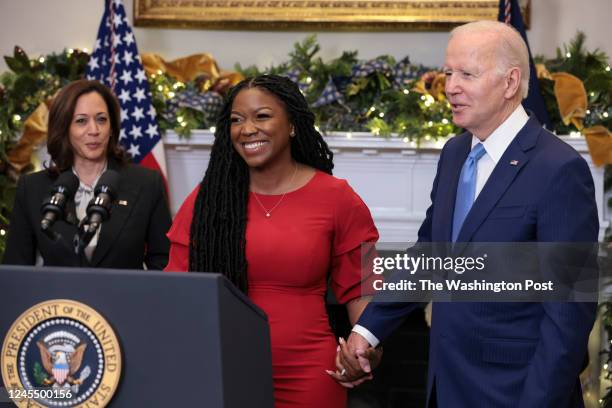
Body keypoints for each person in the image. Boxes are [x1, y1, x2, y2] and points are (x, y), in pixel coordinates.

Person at [335, 21, 599, 407]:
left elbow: (568, 316)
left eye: (467, 74)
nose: (450, 87)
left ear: (510, 83)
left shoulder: (559, 169)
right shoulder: (455, 154)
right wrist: (368, 330)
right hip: (446, 385)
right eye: (447, 73)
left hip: (515, 392)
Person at [165, 74, 381, 407]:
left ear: (292, 124)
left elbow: (364, 286)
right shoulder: (207, 200)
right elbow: (176, 290)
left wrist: (366, 346)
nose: (246, 129)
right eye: (236, 120)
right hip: (223, 368)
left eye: (261, 116)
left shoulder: (339, 198)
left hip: (311, 374)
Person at [3, 79, 171, 269]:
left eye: (101, 119)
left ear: (112, 127)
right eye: (81, 121)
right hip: (60, 299)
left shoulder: (146, 183)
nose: (94, 130)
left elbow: (164, 264)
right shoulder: (32, 188)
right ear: (64, 128)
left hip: (126, 297)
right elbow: (16, 269)